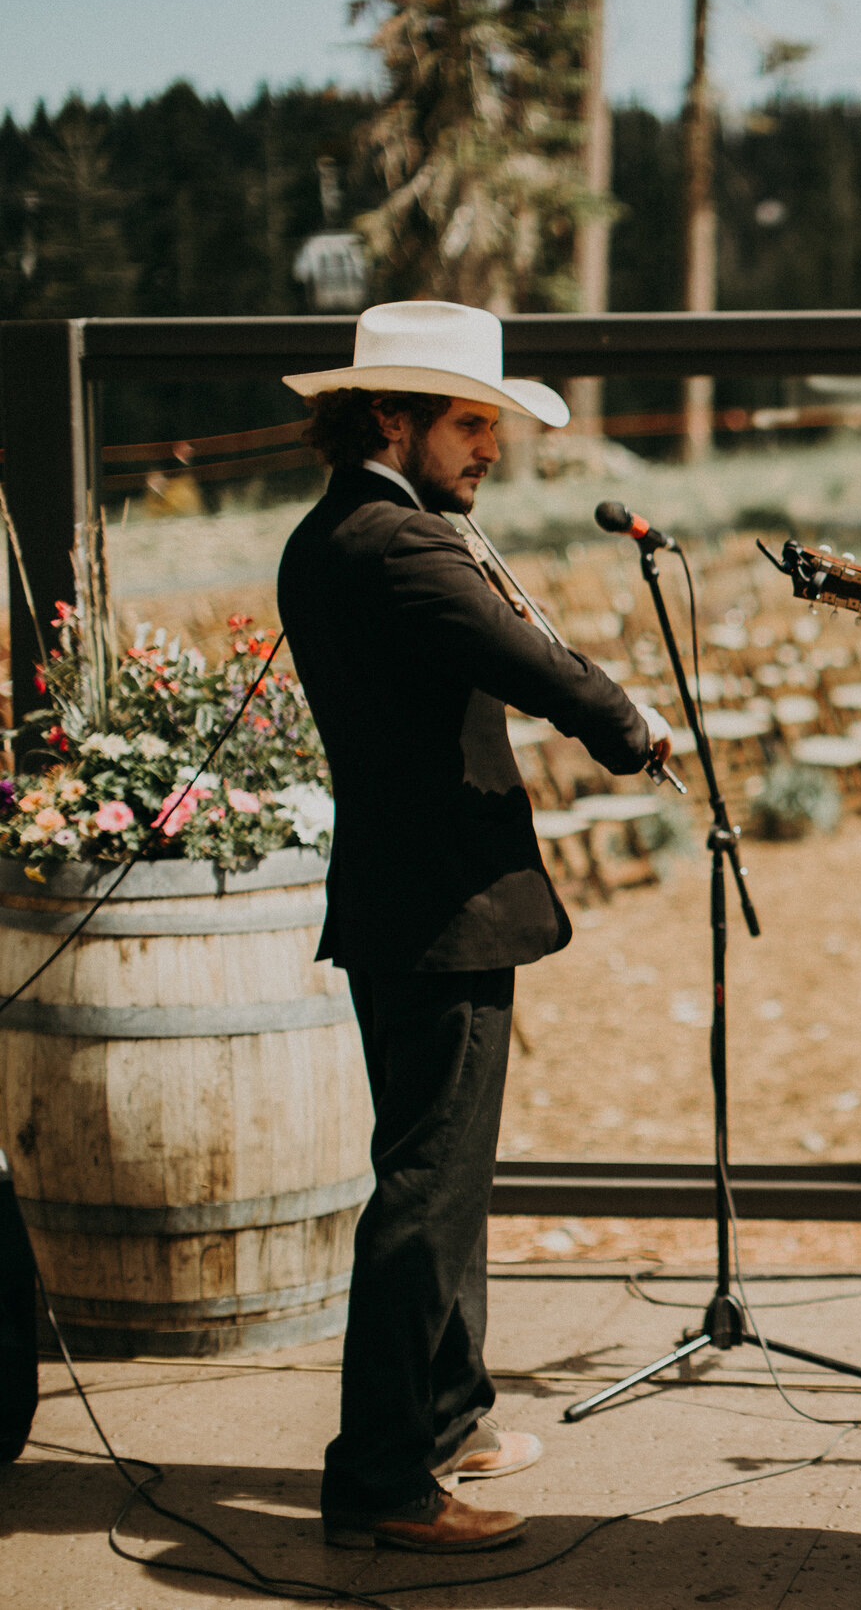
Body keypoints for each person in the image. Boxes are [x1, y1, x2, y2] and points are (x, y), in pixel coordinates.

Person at [278, 301, 668, 1553]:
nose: (489, 446)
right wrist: (632, 726)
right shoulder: (399, 543)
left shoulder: (342, 529)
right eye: (469, 421)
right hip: (440, 902)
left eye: (491, 422)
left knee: (438, 1170)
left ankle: (446, 1415)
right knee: (429, 1187)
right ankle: (384, 1478)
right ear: (389, 414)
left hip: (405, 896)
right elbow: (531, 664)